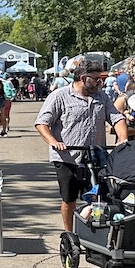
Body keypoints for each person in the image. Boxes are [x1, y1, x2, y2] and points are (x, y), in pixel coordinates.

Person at [35, 58, 129, 250]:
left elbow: (116, 118)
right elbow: (42, 123)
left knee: (100, 197)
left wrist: (122, 138)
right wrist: (54, 142)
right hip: (67, 158)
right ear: (84, 78)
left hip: (96, 157)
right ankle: (70, 235)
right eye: (96, 79)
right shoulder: (59, 96)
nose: (100, 83)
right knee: (69, 198)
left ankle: (94, 234)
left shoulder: (101, 97)